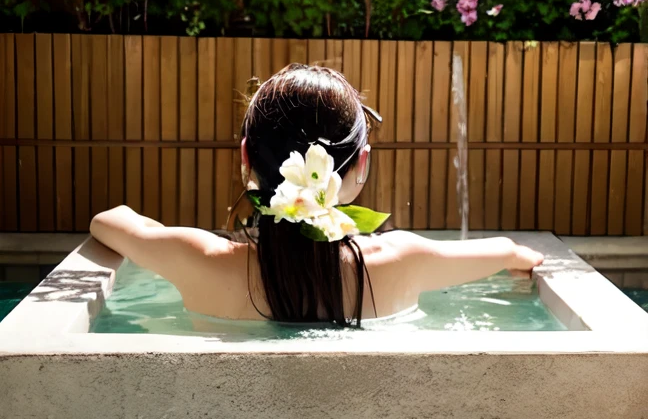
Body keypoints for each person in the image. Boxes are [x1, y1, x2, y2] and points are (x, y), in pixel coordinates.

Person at [90, 63, 544, 322]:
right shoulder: (403, 261)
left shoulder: (199, 260)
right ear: (361, 164)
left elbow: (108, 222)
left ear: (246, 157)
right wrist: (518, 257)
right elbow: (506, 252)